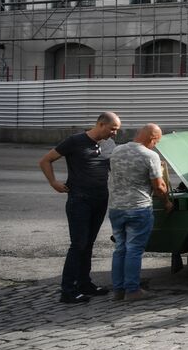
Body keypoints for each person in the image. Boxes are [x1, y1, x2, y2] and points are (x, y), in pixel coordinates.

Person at [40, 111, 121, 304]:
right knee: (78, 244)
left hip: (100, 199)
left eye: (117, 130)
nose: (115, 133)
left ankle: (84, 284)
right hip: (80, 200)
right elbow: (45, 160)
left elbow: (113, 169)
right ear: (101, 124)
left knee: (89, 244)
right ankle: (67, 290)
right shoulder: (75, 141)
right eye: (113, 129)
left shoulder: (109, 144)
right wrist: (53, 182)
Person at [106, 123, 173, 302]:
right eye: (156, 142)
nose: (155, 145)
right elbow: (158, 187)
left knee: (120, 249)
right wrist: (167, 202)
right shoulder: (150, 156)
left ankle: (118, 290)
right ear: (152, 138)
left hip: (116, 208)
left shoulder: (117, 151)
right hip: (138, 208)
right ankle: (132, 290)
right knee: (134, 249)